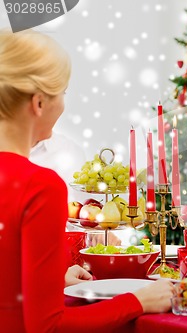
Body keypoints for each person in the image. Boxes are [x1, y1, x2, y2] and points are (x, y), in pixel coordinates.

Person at [0, 29, 174, 332]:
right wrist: (138, 301)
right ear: (39, 103)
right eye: (63, 93)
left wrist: (52, 279)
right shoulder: (40, 185)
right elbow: (48, 327)